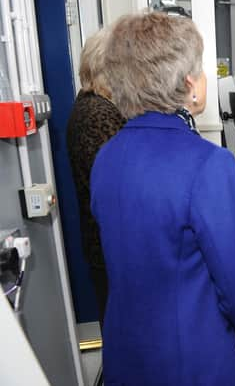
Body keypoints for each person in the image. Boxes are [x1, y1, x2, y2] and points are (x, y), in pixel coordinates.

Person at [91, 12, 235, 386]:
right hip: (190, 356)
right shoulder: (208, 164)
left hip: (125, 348)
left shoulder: (107, 156)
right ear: (190, 84)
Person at [66, 27, 126, 327]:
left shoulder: (89, 106)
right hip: (110, 249)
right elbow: (120, 186)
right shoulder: (98, 115)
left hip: (104, 245)